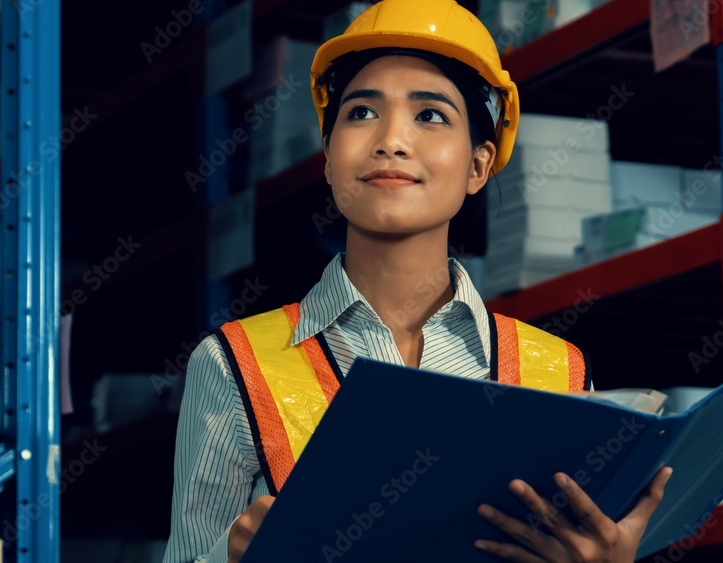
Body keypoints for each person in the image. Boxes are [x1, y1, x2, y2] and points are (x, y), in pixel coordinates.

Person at [163, 1, 672, 561]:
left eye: (430, 115)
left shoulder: (559, 372)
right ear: (329, 158)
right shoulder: (235, 364)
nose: (392, 140)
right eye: (360, 113)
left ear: (479, 165)